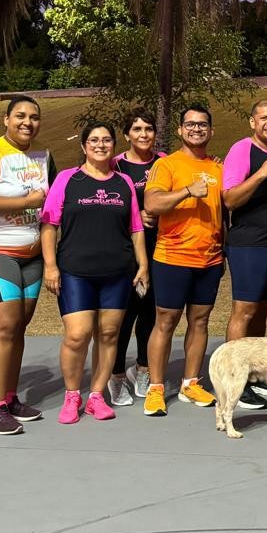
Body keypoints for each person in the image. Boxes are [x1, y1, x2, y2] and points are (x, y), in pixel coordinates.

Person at [40, 121, 149, 424]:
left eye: (106, 140)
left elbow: (136, 227)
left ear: (114, 145)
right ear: (84, 145)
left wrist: (142, 265)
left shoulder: (123, 182)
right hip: (75, 270)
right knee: (77, 335)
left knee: (109, 334)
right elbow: (49, 225)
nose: (100, 145)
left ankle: (97, 396)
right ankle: (72, 395)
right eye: (94, 140)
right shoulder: (67, 179)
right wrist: (50, 266)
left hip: (117, 271)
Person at [0, 95, 55, 436]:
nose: (27, 122)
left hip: (30, 256)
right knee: (2, 327)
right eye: (20, 115)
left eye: (33, 117)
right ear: (6, 119)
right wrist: (26, 201)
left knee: (18, 327)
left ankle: (10, 396)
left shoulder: (43, 156)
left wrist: (50, 261)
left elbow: (53, 206)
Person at [142, 103, 224, 416]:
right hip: (173, 256)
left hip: (210, 258)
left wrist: (223, 249)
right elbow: (152, 202)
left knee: (200, 321)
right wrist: (187, 190)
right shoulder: (167, 165)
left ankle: (191, 382)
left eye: (202, 124)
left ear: (211, 130)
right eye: (190, 124)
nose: (196, 129)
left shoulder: (218, 167)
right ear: (180, 129)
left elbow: (222, 213)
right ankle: (156, 388)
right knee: (165, 322)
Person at [222, 99, 267, 410]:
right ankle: (232, 378)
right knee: (245, 312)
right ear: (252, 122)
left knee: (262, 313)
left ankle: (254, 374)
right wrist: (263, 174)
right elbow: (230, 199)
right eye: (264, 117)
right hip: (249, 245)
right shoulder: (243, 150)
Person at [106, 109, 164, 406]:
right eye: (137, 129)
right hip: (124, 252)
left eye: (149, 129)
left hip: (161, 250)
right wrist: (135, 217)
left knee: (150, 314)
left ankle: (142, 368)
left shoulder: (165, 163)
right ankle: (115, 376)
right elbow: (100, 204)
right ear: (127, 134)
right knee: (123, 316)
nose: (143, 134)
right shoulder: (115, 165)